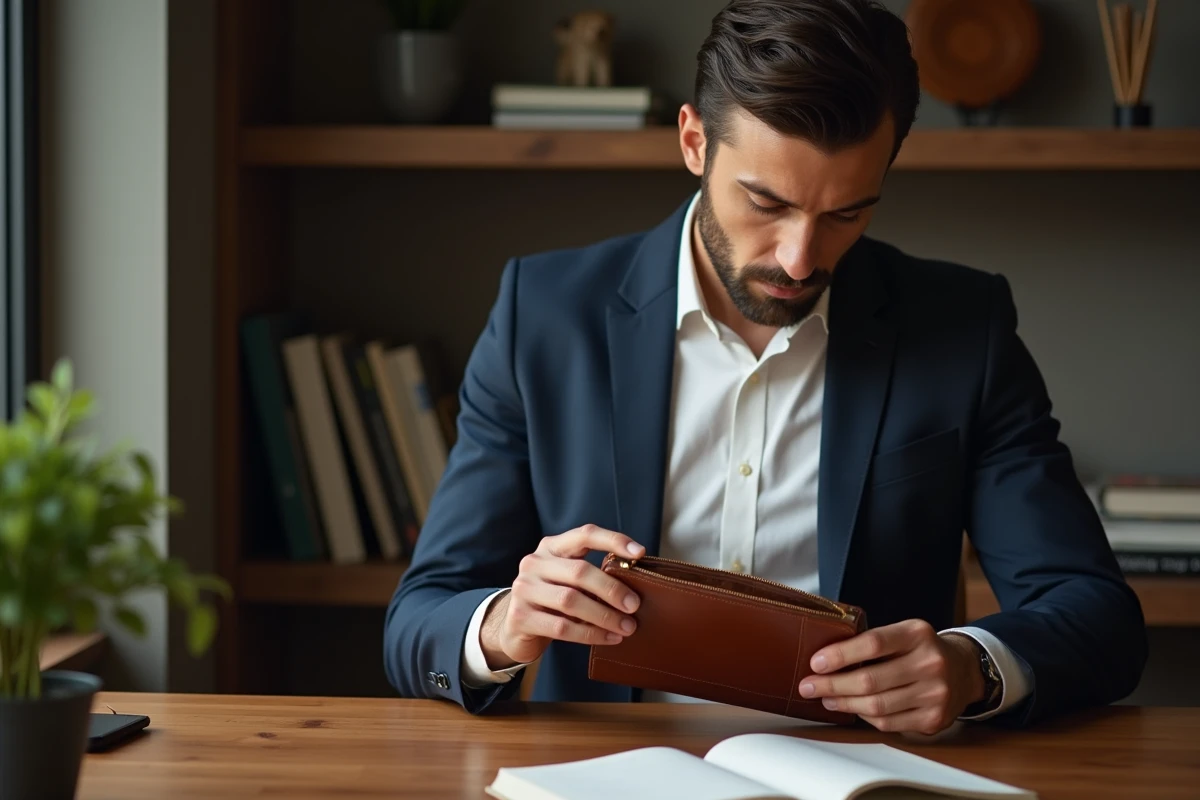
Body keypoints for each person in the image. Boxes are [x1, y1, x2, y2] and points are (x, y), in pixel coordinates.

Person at [383, 0, 1147, 734]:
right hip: (606, 773)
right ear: (693, 143)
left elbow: (1096, 615)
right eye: (766, 202)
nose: (801, 257)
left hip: (860, 781)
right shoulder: (543, 316)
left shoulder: (961, 328)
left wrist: (972, 666)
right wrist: (504, 624)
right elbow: (419, 619)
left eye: (846, 212)